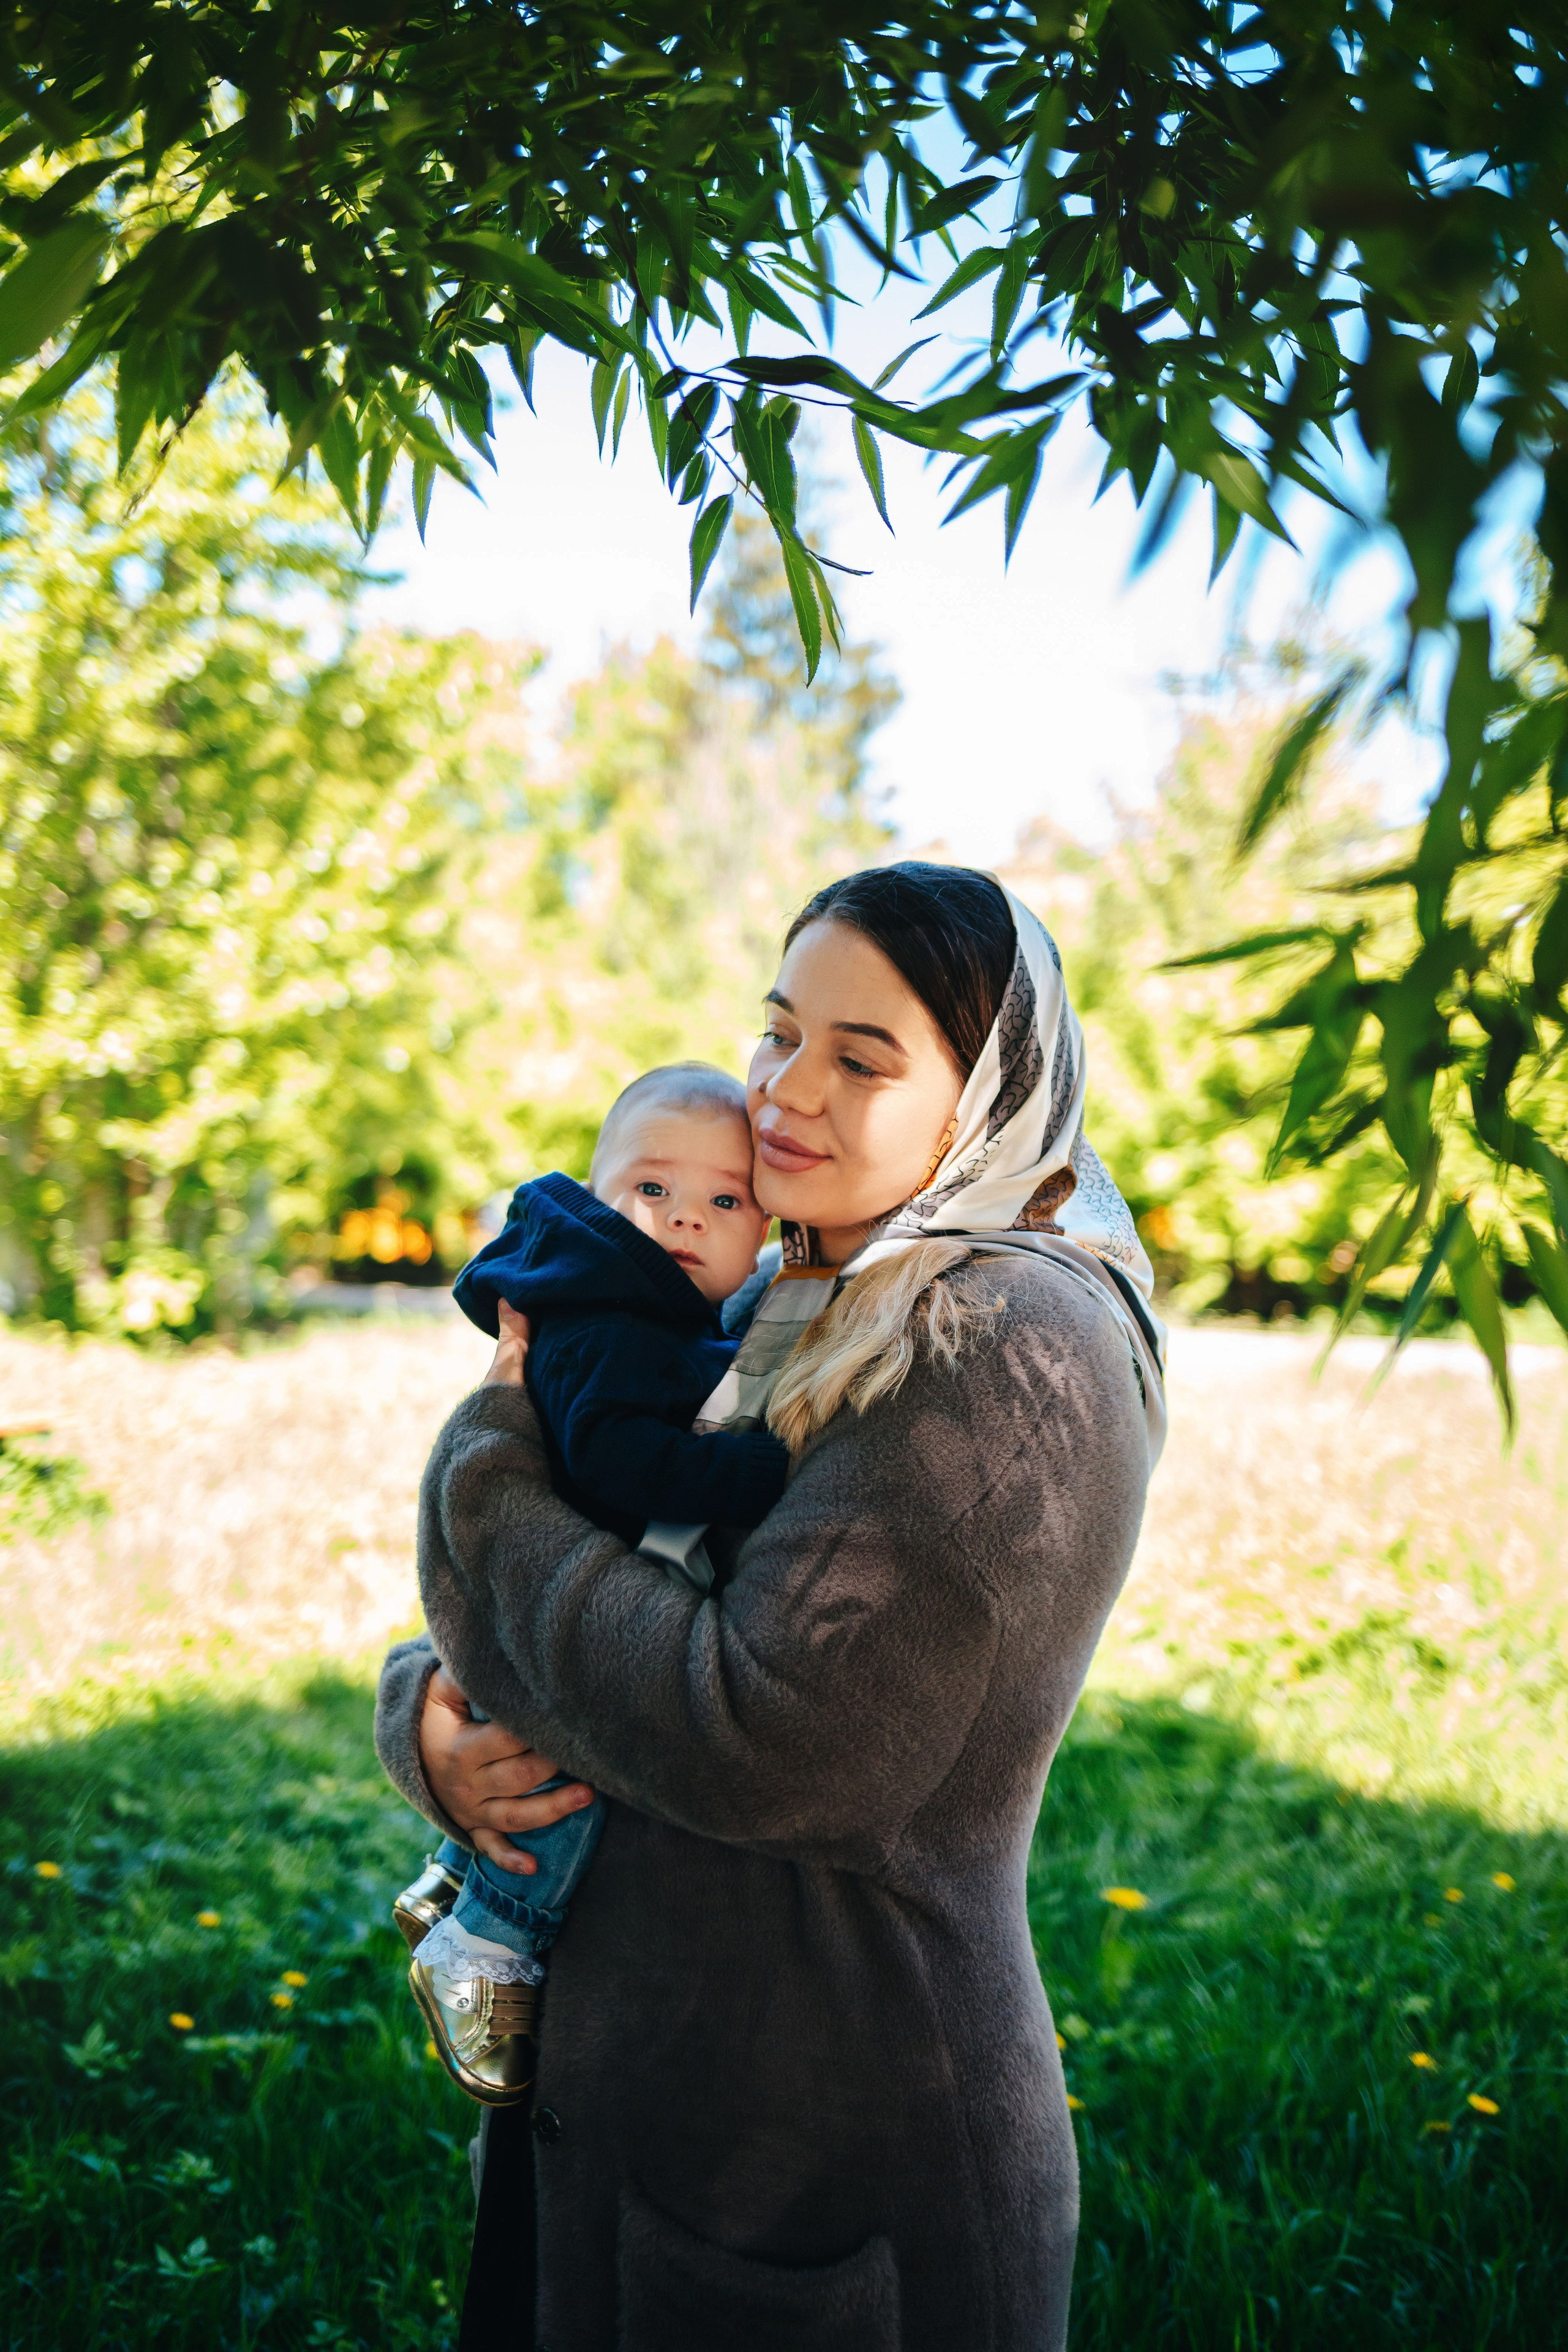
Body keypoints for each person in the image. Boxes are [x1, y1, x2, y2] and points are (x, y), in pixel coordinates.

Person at [374, 861, 1165, 2351]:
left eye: (861, 1059)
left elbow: (752, 1734)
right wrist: (429, 1718)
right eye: (779, 1028)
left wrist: (483, 1461)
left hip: (821, 2154)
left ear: (981, 1101)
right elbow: (629, 1562)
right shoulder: (794, 1288)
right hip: (651, 2113)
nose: (785, 1090)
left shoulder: (990, 1339)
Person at [395, 1062, 791, 2103]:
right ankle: (488, 1937)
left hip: (559, 1602)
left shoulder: (652, 1310)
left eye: (723, 1200)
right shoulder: (612, 1321)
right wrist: (756, 1471)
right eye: (650, 1191)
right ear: (598, 1186)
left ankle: (449, 1885)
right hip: (560, 1620)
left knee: (534, 1773)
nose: (683, 1222)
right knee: (561, 1792)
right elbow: (621, 1461)